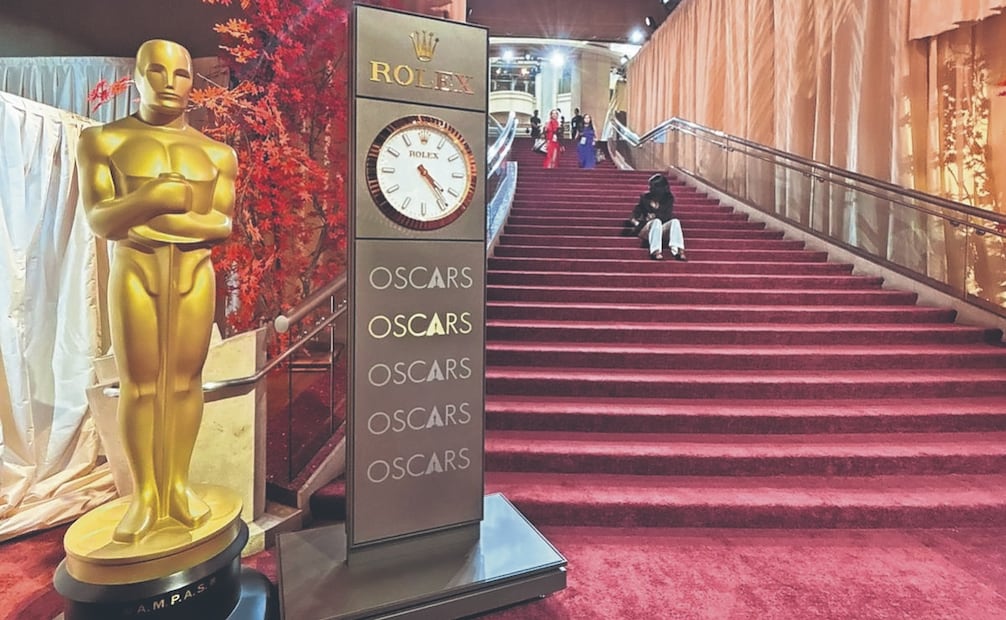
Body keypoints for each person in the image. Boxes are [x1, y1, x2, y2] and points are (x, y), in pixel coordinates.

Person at [76, 39, 238, 542]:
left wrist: (147, 220)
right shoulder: (103, 141)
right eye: (157, 71)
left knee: (186, 381)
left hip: (194, 275)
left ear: (194, 81)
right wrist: (153, 198)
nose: (169, 84)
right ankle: (147, 495)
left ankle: (178, 486)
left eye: (181, 74)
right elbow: (100, 219)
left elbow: (221, 225)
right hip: (135, 273)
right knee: (140, 384)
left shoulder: (217, 153)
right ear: (138, 75)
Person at [628, 173, 686, 261]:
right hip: (647, 228)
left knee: (675, 221)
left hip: (661, 228)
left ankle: (678, 250)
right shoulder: (645, 198)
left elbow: (667, 216)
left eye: (652, 187)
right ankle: (656, 251)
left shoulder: (668, 199)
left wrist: (655, 214)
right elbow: (634, 214)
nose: (650, 188)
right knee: (656, 221)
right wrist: (637, 222)